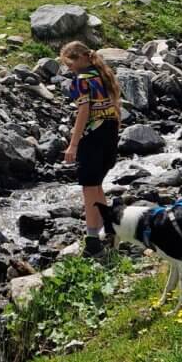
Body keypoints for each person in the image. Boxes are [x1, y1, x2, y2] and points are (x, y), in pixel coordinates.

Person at [60, 40, 122, 257]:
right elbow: (114, 107)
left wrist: (73, 144)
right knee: (96, 185)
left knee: (88, 187)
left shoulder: (81, 81)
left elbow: (84, 112)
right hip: (110, 131)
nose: (68, 67)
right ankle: (111, 229)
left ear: (80, 58)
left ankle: (93, 240)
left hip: (93, 136)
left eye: (69, 62)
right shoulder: (102, 75)